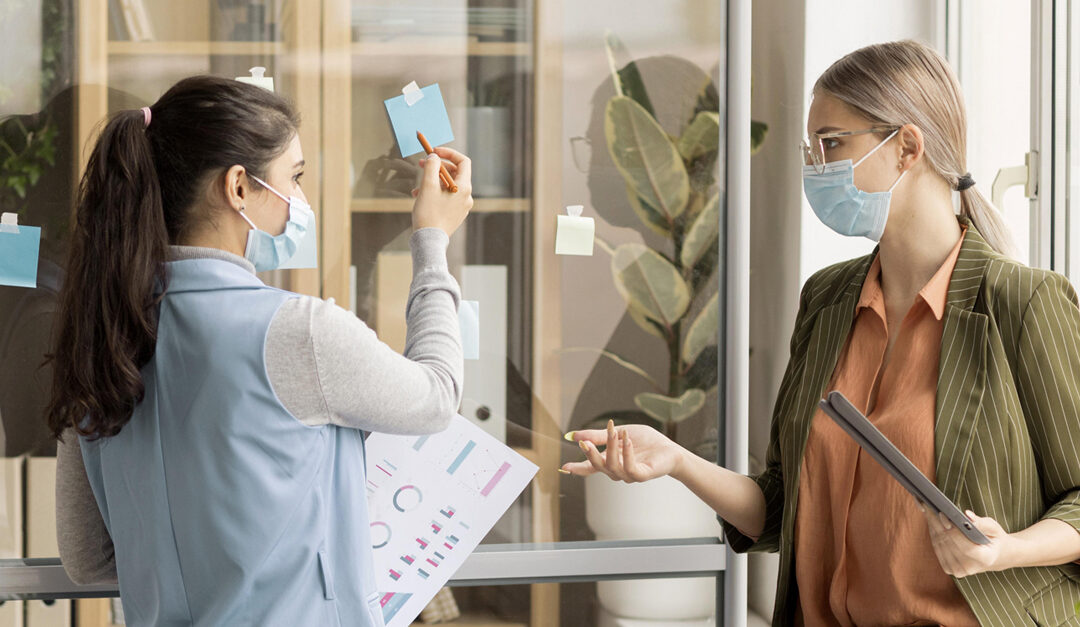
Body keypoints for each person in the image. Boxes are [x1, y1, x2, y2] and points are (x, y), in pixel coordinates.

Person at [563, 40, 1080, 626]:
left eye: (832, 143)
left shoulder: (1024, 302)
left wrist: (1005, 550)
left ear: (907, 146)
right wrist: (677, 461)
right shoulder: (828, 298)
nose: (817, 167)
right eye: (812, 150)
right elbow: (782, 506)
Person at [46, 75, 472, 626]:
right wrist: (432, 239)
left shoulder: (100, 335)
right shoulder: (300, 332)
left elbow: (88, 558)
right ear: (239, 187)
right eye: (293, 179)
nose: (300, 201)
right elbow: (438, 397)